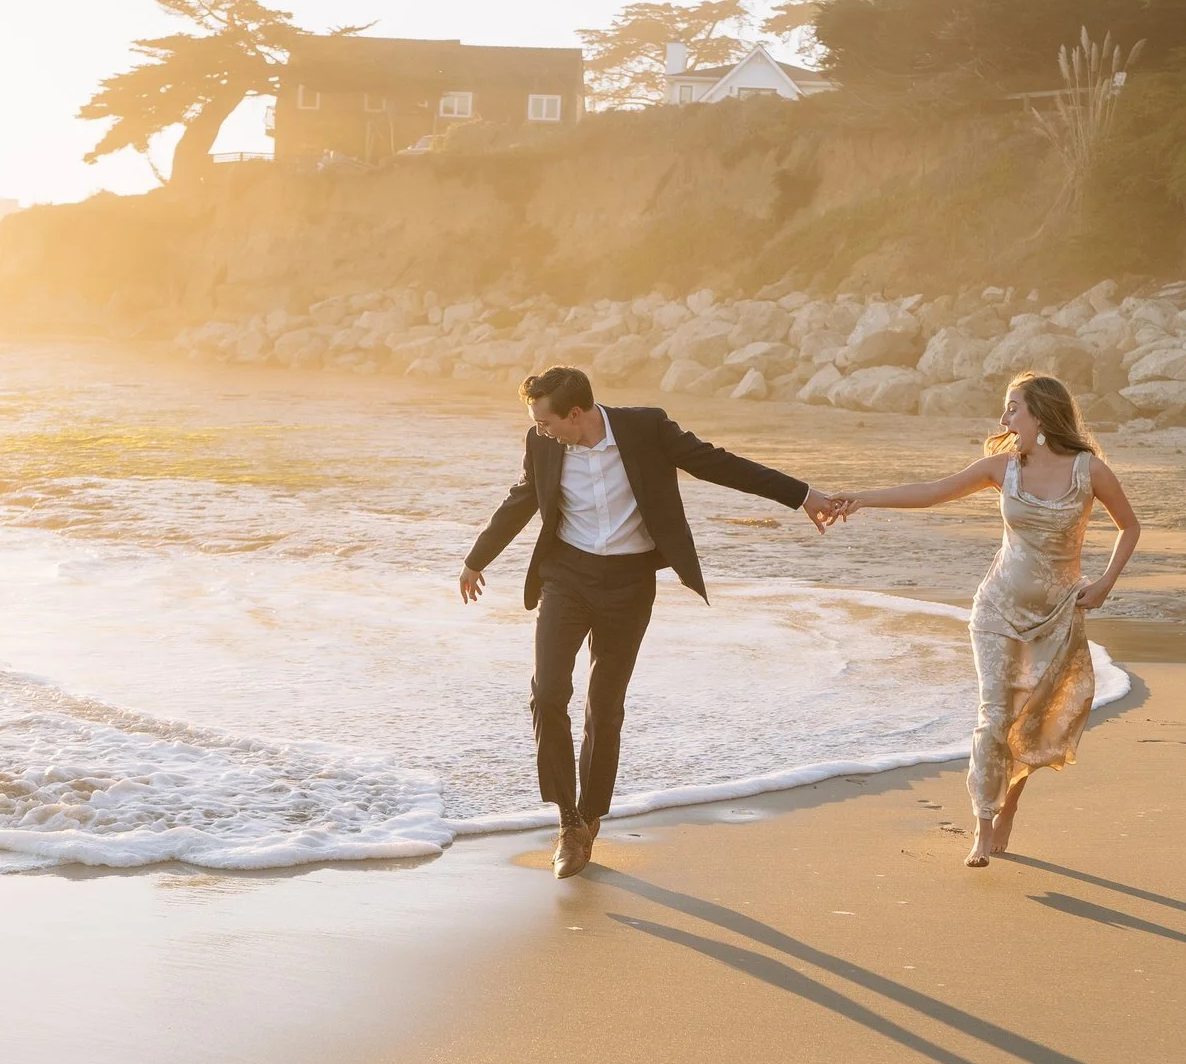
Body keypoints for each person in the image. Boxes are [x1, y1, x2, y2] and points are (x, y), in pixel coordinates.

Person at [461, 365, 844, 878]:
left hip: (629, 583)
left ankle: (589, 818)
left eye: (546, 420)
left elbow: (720, 465)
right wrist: (476, 559)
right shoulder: (544, 443)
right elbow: (522, 499)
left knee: (605, 705)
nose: (539, 429)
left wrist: (802, 496)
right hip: (567, 576)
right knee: (548, 692)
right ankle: (567, 819)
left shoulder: (645, 429)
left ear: (576, 414)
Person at [827, 372, 1139, 866]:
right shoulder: (1002, 468)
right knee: (994, 717)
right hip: (996, 610)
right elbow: (932, 491)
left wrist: (1104, 584)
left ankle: (1010, 799)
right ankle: (984, 822)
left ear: (1039, 414)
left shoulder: (1089, 470)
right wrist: (862, 497)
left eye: (1012, 408)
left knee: (1031, 721)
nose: (1004, 419)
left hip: (1057, 615)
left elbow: (1129, 526)